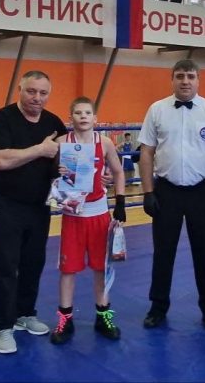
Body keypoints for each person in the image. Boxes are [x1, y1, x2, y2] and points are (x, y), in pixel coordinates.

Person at [138, 59, 205, 332]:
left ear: (198, 80)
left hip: (202, 191)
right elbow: (146, 152)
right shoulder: (157, 109)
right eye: (180, 76)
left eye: (190, 76)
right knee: (162, 253)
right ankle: (157, 308)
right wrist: (148, 191)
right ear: (172, 79)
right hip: (166, 191)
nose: (185, 81)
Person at [0, 70, 68, 355]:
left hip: (38, 205)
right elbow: (2, 160)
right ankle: (4, 327)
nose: (37, 98)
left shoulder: (54, 123)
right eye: (31, 91)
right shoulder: (1, 119)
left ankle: (25, 313)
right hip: (3, 204)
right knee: (5, 265)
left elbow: (64, 161)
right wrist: (40, 149)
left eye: (43, 93)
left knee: (33, 262)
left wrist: (92, 176)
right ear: (20, 89)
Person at [49, 97, 127, 345]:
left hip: (99, 214)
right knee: (68, 269)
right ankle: (65, 318)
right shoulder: (61, 143)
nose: (83, 116)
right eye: (78, 112)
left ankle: (103, 315)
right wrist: (55, 172)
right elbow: (46, 173)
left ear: (95, 118)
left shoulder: (104, 143)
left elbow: (118, 172)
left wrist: (121, 201)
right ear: (70, 117)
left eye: (87, 113)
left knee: (101, 267)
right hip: (73, 216)